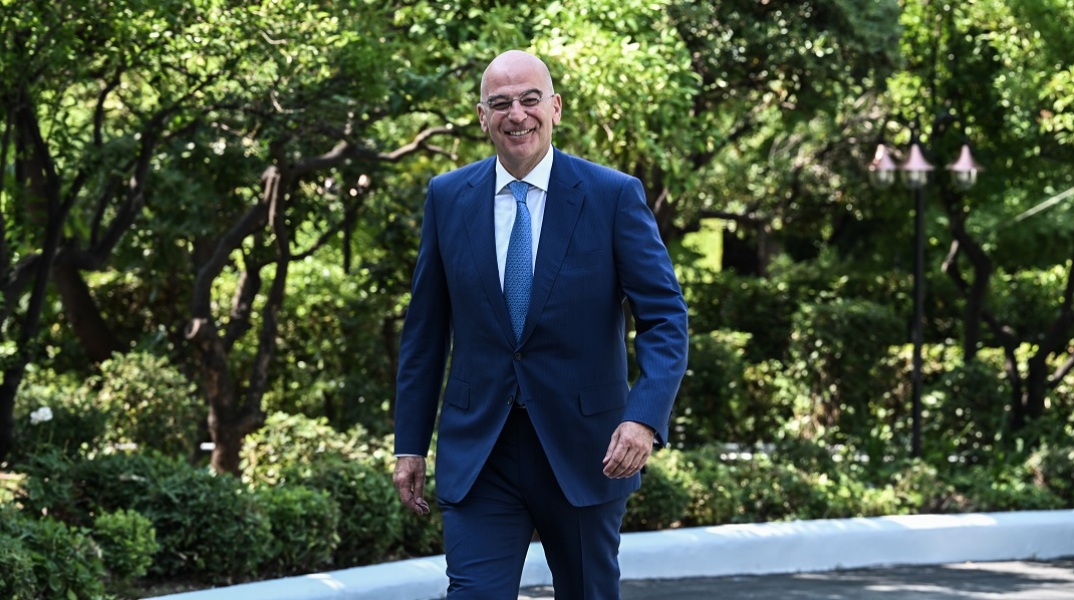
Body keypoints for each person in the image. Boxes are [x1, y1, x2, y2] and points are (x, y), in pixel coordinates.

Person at [392, 49, 689, 599]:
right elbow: (424, 334)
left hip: (585, 450)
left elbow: (665, 317)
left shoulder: (612, 195)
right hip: (480, 453)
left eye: (530, 99)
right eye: (501, 103)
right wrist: (409, 443)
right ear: (483, 117)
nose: (517, 114)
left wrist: (643, 419)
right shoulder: (447, 197)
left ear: (555, 107)